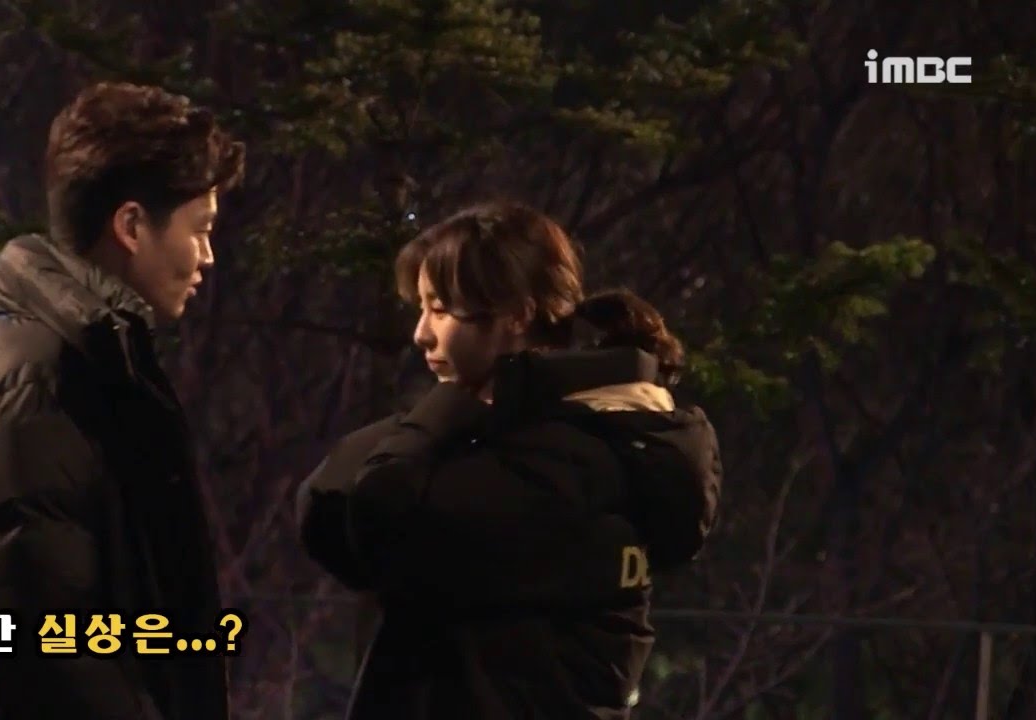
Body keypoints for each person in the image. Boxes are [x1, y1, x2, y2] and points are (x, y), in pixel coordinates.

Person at [0, 81, 245, 720]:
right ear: (131, 226)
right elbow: (44, 652)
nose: (208, 257)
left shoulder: (70, 363)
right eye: (201, 230)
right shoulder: (37, 382)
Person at [296, 200, 723, 719]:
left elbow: (373, 513)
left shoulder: (565, 459)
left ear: (516, 315)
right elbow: (328, 512)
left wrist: (448, 406)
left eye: (440, 309)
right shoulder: (591, 440)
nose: (421, 333)